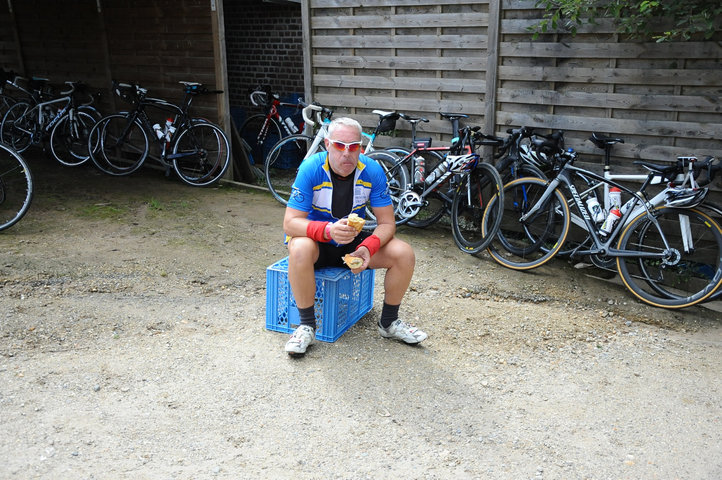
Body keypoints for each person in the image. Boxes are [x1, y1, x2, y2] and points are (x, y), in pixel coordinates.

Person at [282, 117, 427, 355]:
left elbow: (388, 224)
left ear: (361, 147)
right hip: (316, 244)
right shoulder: (311, 168)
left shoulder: (371, 170)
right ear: (327, 144)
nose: (346, 154)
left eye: (354, 147)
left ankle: (389, 322)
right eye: (339, 145)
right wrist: (327, 230)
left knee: (403, 253)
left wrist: (368, 248)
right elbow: (290, 223)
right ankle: (306, 326)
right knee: (299, 247)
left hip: (351, 243)